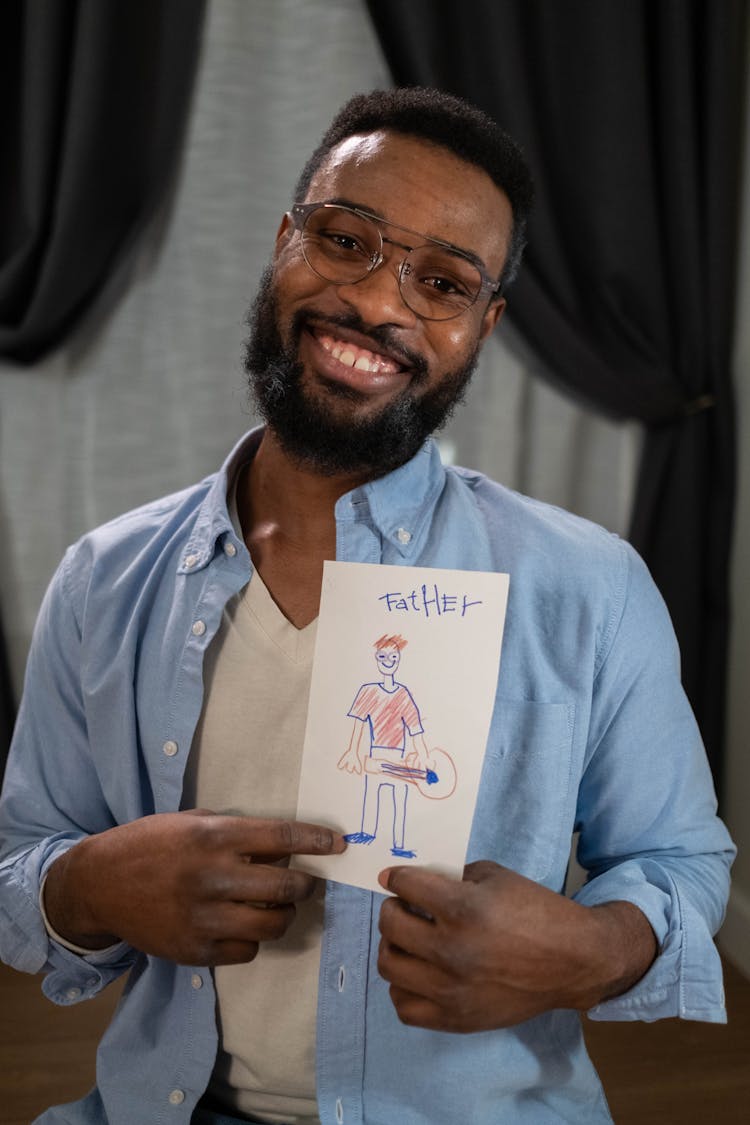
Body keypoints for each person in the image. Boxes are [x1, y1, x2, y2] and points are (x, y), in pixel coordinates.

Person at [0, 87, 734, 1125]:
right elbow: (18, 863)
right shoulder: (103, 579)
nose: (381, 305)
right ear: (283, 240)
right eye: (346, 240)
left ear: (485, 326)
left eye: (442, 281)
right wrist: (88, 888)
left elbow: (684, 859)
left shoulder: (590, 587)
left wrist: (601, 947)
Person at [338, 633, 431, 858]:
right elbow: (359, 723)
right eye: (382, 656)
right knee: (372, 793)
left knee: (400, 798)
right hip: (376, 753)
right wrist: (352, 750)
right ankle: (367, 832)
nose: (388, 661)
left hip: (398, 756)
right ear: (375, 658)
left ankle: (399, 844)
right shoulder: (368, 691)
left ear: (399, 660)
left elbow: (415, 727)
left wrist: (424, 755)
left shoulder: (403, 694)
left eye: (393, 657)